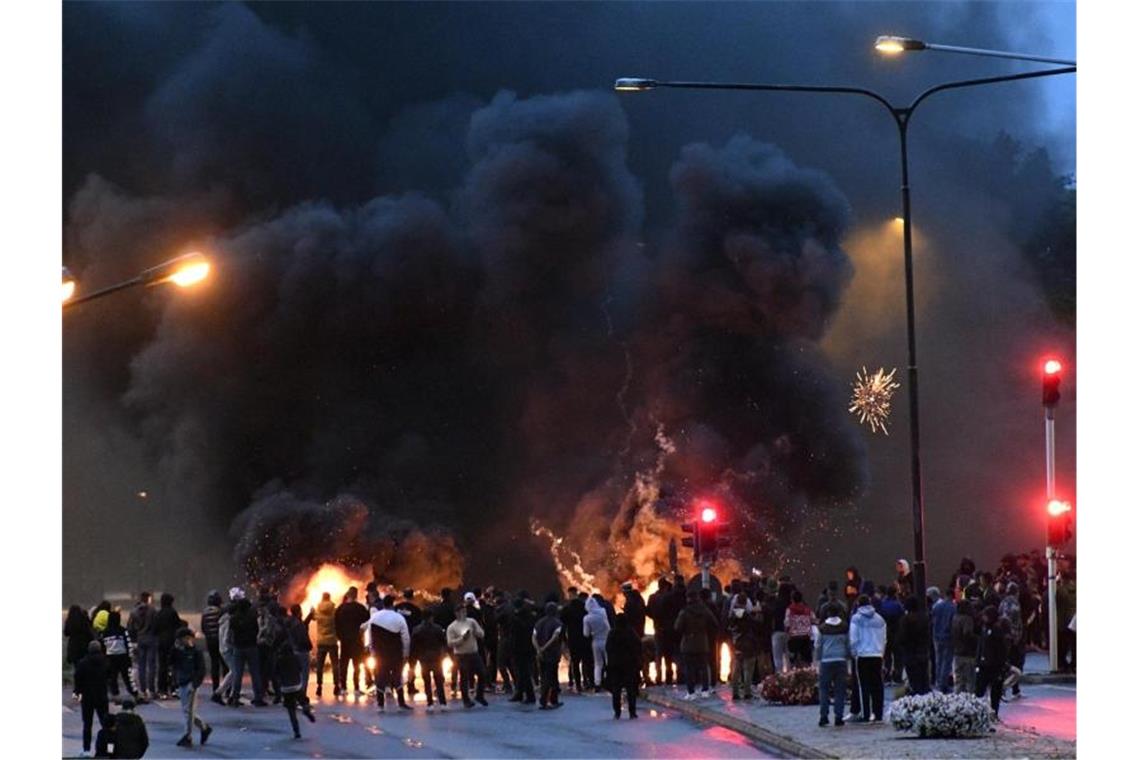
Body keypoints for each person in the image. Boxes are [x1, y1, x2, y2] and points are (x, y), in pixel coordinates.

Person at [364, 595, 412, 711]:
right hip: (395, 652)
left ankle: (380, 705)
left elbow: (370, 636)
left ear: (383, 604)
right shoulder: (399, 618)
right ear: (393, 604)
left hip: (380, 653)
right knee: (397, 676)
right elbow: (405, 638)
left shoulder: (375, 618)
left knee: (380, 676)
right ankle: (401, 703)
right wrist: (406, 653)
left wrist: (372, 651)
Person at [274, 614, 316, 738]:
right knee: (303, 701)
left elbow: (276, 674)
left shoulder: (279, 660)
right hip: (297, 686)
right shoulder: (295, 658)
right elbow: (299, 669)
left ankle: (296, 731)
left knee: (291, 711)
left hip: (285, 688)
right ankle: (306, 710)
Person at [171, 627, 212, 748]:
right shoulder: (178, 651)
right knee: (187, 711)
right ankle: (204, 728)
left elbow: (201, 670)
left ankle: (187, 735)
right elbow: (171, 662)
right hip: (182, 682)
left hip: (190, 683)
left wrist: (194, 684)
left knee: (188, 712)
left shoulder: (195, 652)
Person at [848, 594, 886, 722]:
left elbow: (853, 638)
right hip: (877, 654)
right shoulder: (880, 619)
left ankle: (865, 714)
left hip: (862, 655)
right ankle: (878, 713)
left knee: (863, 685)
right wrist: (881, 652)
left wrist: (854, 653)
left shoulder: (856, 619)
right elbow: (884, 639)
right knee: (878, 684)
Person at [675, 589, 718, 700]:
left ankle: (691, 692)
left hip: (688, 643)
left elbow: (677, 627)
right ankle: (705, 690)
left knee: (689, 669)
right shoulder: (705, 610)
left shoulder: (684, 611)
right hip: (703, 642)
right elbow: (714, 623)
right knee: (704, 667)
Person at [227, 588, 265, 706]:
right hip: (251, 646)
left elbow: (231, 633)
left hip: (238, 647)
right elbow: (256, 630)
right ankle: (258, 697)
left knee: (238, 673)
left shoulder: (233, 618)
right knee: (255, 673)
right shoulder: (252, 617)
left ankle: (235, 697)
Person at [446, 602, 488, 707]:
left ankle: (479, 695)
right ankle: (466, 700)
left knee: (482, 674)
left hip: (474, 653)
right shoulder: (452, 627)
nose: (463, 613)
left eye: (464, 611)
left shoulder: (471, 622)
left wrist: (476, 632)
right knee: (464, 677)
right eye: (461, 612)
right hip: (461, 655)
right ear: (456, 613)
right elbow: (450, 643)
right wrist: (462, 639)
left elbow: (481, 633)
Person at [815, 601, 850, 727]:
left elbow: (818, 646)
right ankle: (838, 716)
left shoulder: (822, 628)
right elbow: (848, 644)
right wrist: (848, 657)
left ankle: (824, 716)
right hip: (841, 660)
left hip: (826, 661)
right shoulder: (844, 626)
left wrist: (818, 660)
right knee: (839, 690)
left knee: (824, 689)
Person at [74, 640, 111, 758]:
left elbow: (78, 678)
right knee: (106, 724)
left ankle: (86, 749)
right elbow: (110, 676)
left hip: (87, 697)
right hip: (102, 696)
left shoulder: (83, 663)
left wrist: (77, 691)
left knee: (87, 724)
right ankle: (110, 749)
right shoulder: (105, 662)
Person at [605, 613, 642, 719]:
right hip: (629, 665)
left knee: (616, 689)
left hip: (615, 665)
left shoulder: (612, 633)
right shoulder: (631, 633)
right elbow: (638, 646)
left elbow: (608, 648)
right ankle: (632, 712)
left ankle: (617, 712)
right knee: (631, 689)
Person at [335, 587, 370, 696]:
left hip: (344, 641)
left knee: (344, 664)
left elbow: (336, 624)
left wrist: (340, 637)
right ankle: (356, 688)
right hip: (356, 640)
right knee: (356, 665)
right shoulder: (360, 608)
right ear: (356, 595)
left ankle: (344, 687)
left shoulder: (340, 608)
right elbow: (367, 619)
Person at [975, 606, 1008, 719]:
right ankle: (979, 712)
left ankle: (994, 713)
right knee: (979, 690)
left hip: (994, 666)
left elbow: (1001, 650)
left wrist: (1001, 665)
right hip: (984, 665)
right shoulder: (984, 628)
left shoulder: (996, 630)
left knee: (995, 692)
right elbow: (981, 646)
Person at [99, 611, 140, 701]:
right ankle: (134, 693)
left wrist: (103, 657)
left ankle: (115, 694)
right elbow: (128, 643)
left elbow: (102, 646)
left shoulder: (105, 632)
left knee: (112, 677)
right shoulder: (123, 630)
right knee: (128, 677)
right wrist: (130, 655)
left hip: (110, 657)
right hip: (123, 657)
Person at [411, 613, 449, 711]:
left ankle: (430, 704)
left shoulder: (417, 630)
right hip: (436, 657)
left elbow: (414, 647)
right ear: (432, 617)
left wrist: (413, 662)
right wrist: (444, 654)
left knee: (427, 681)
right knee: (439, 681)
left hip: (424, 659)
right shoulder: (437, 628)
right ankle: (443, 703)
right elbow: (444, 642)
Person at [725, 593, 760, 701]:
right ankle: (747, 692)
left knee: (736, 667)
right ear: (746, 603)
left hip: (736, 643)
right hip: (748, 643)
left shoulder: (731, 615)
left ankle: (735, 692)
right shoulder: (747, 615)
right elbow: (756, 625)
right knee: (748, 669)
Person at [532, 601, 564, 709]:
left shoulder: (539, 622)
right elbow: (555, 637)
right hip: (552, 654)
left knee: (545, 675)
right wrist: (544, 648)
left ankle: (553, 700)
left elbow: (533, 637)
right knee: (550, 677)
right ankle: (544, 700)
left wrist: (538, 650)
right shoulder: (557, 623)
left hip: (541, 655)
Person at [896, 596, 931, 695]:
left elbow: (902, 637)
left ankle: (916, 698)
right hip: (922, 653)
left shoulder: (905, 620)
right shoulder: (924, 618)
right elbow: (927, 636)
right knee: (923, 678)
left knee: (913, 680)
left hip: (909, 654)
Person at [126, 593, 158, 702]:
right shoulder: (153, 611)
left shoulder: (134, 612)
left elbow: (130, 627)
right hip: (151, 638)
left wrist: (134, 639)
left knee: (141, 665)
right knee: (152, 665)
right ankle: (151, 689)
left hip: (140, 639)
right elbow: (156, 625)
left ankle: (143, 689)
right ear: (148, 599)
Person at [153, 593, 184, 700]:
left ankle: (162, 689)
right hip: (171, 641)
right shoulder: (173, 613)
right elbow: (178, 626)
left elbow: (155, 629)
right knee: (173, 666)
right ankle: (174, 688)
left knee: (162, 667)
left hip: (161, 642)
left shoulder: (159, 613)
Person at [646, 578, 676, 685]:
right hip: (668, 630)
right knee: (668, 655)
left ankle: (658, 677)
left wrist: (655, 618)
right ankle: (669, 677)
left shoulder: (652, 597)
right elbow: (674, 611)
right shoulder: (669, 597)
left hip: (657, 628)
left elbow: (648, 611)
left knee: (658, 654)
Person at [509, 594, 538, 704]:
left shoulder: (515, 618)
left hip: (519, 648)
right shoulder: (530, 615)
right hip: (529, 647)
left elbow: (512, 634)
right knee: (523, 672)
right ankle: (519, 693)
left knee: (522, 673)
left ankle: (530, 696)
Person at [559, 587, 589, 693]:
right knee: (586, 661)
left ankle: (577, 684)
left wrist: (563, 639)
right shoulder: (585, 606)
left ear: (569, 594)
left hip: (573, 638)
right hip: (585, 638)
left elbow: (562, 624)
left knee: (575, 662)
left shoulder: (567, 608)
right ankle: (587, 682)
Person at [998, 583, 1024, 699]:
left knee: (1005, 662)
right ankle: (1012, 688)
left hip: (1003, 637)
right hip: (1013, 638)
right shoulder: (1015, 604)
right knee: (1016, 663)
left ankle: (1003, 689)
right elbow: (1017, 622)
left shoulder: (1003, 602)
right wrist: (1017, 638)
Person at [313, 592, 340, 697]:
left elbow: (313, 617)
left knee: (320, 666)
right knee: (335, 665)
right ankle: (336, 685)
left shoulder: (318, 611)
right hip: (332, 641)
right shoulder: (334, 611)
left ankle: (319, 686)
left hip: (321, 642)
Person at [286, 604, 315, 700]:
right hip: (302, 651)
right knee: (304, 675)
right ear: (299, 611)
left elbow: (303, 624)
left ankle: (295, 695)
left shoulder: (289, 621)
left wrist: (310, 615)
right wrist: (309, 646)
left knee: (295, 675)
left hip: (293, 651)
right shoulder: (298, 624)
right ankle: (302, 696)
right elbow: (302, 636)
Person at [583, 595, 611, 694]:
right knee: (609, 662)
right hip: (606, 640)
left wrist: (593, 632)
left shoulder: (587, 618)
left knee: (598, 664)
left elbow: (586, 634)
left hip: (595, 641)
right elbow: (608, 626)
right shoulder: (603, 612)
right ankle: (610, 681)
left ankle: (597, 684)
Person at [201, 591, 227, 696]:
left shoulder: (205, 612)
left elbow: (203, 627)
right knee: (225, 664)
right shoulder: (220, 611)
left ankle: (215, 688)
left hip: (210, 641)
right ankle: (226, 688)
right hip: (220, 640)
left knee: (214, 664)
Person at [930, 587, 955, 693]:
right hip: (948, 636)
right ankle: (943, 683)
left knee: (938, 660)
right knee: (947, 661)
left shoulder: (937, 607)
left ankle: (938, 681)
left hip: (936, 636)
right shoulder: (953, 607)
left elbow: (932, 620)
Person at [877, 586, 904, 684]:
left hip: (885, 632)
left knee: (887, 656)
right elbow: (902, 618)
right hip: (896, 633)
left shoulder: (882, 604)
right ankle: (897, 675)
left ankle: (887, 675)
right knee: (898, 656)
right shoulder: (898, 605)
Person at [951, 598, 978, 694]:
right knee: (970, 681)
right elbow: (967, 634)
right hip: (967, 653)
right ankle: (969, 700)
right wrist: (977, 640)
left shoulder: (955, 618)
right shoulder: (967, 619)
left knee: (958, 680)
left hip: (956, 652)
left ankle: (957, 699)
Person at [784, 590, 815, 668]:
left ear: (792, 599)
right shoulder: (807, 609)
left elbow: (787, 623)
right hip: (806, 638)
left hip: (794, 638)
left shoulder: (790, 609)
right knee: (806, 661)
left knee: (793, 662)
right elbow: (813, 619)